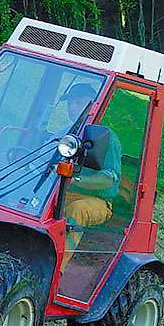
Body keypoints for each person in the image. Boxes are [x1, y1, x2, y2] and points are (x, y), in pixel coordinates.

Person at [61, 83, 122, 269]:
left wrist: (75, 180)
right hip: (65, 192)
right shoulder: (66, 132)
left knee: (77, 210)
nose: (72, 107)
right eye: (70, 102)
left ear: (94, 105)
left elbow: (108, 180)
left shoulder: (106, 137)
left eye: (79, 102)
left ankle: (57, 269)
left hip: (98, 201)